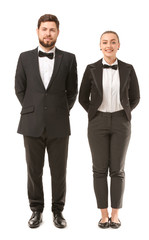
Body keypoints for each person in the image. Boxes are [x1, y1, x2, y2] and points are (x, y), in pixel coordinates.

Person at [15, 14, 78, 229]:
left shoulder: (69, 59)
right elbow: (20, 89)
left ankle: (58, 211)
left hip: (59, 124)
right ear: (37, 31)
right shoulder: (24, 57)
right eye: (44, 29)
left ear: (58, 32)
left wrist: (58, 111)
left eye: (52, 29)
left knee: (59, 171)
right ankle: (36, 210)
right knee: (34, 170)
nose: (48, 33)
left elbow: (73, 91)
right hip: (31, 124)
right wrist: (33, 110)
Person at [79, 31, 140, 229]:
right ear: (100, 45)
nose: (109, 46)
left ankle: (116, 214)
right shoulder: (91, 68)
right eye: (105, 42)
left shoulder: (129, 69)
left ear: (119, 45)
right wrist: (94, 114)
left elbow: (135, 97)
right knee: (99, 170)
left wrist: (124, 113)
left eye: (113, 42)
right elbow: (82, 98)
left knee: (117, 170)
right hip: (97, 123)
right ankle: (103, 215)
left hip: (122, 122)